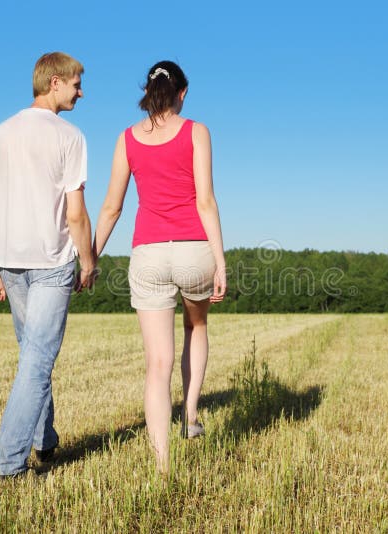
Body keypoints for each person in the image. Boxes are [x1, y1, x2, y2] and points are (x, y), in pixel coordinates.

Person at [93, 60, 227, 473]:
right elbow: (205, 200)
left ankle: (162, 464)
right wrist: (220, 261)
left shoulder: (127, 139)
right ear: (181, 93)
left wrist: (90, 257)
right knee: (196, 327)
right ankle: (189, 417)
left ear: (148, 93)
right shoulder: (196, 132)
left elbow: (112, 207)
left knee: (157, 363)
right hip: (192, 250)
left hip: (148, 253)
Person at [0, 51, 96, 479]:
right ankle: (8, 466)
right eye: (77, 83)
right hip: (50, 261)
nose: (82, 91)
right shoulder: (70, 137)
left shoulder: (0, 133)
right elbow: (76, 214)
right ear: (54, 83)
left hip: (8, 259)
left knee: (33, 355)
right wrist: (88, 261)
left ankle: (44, 441)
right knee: (38, 360)